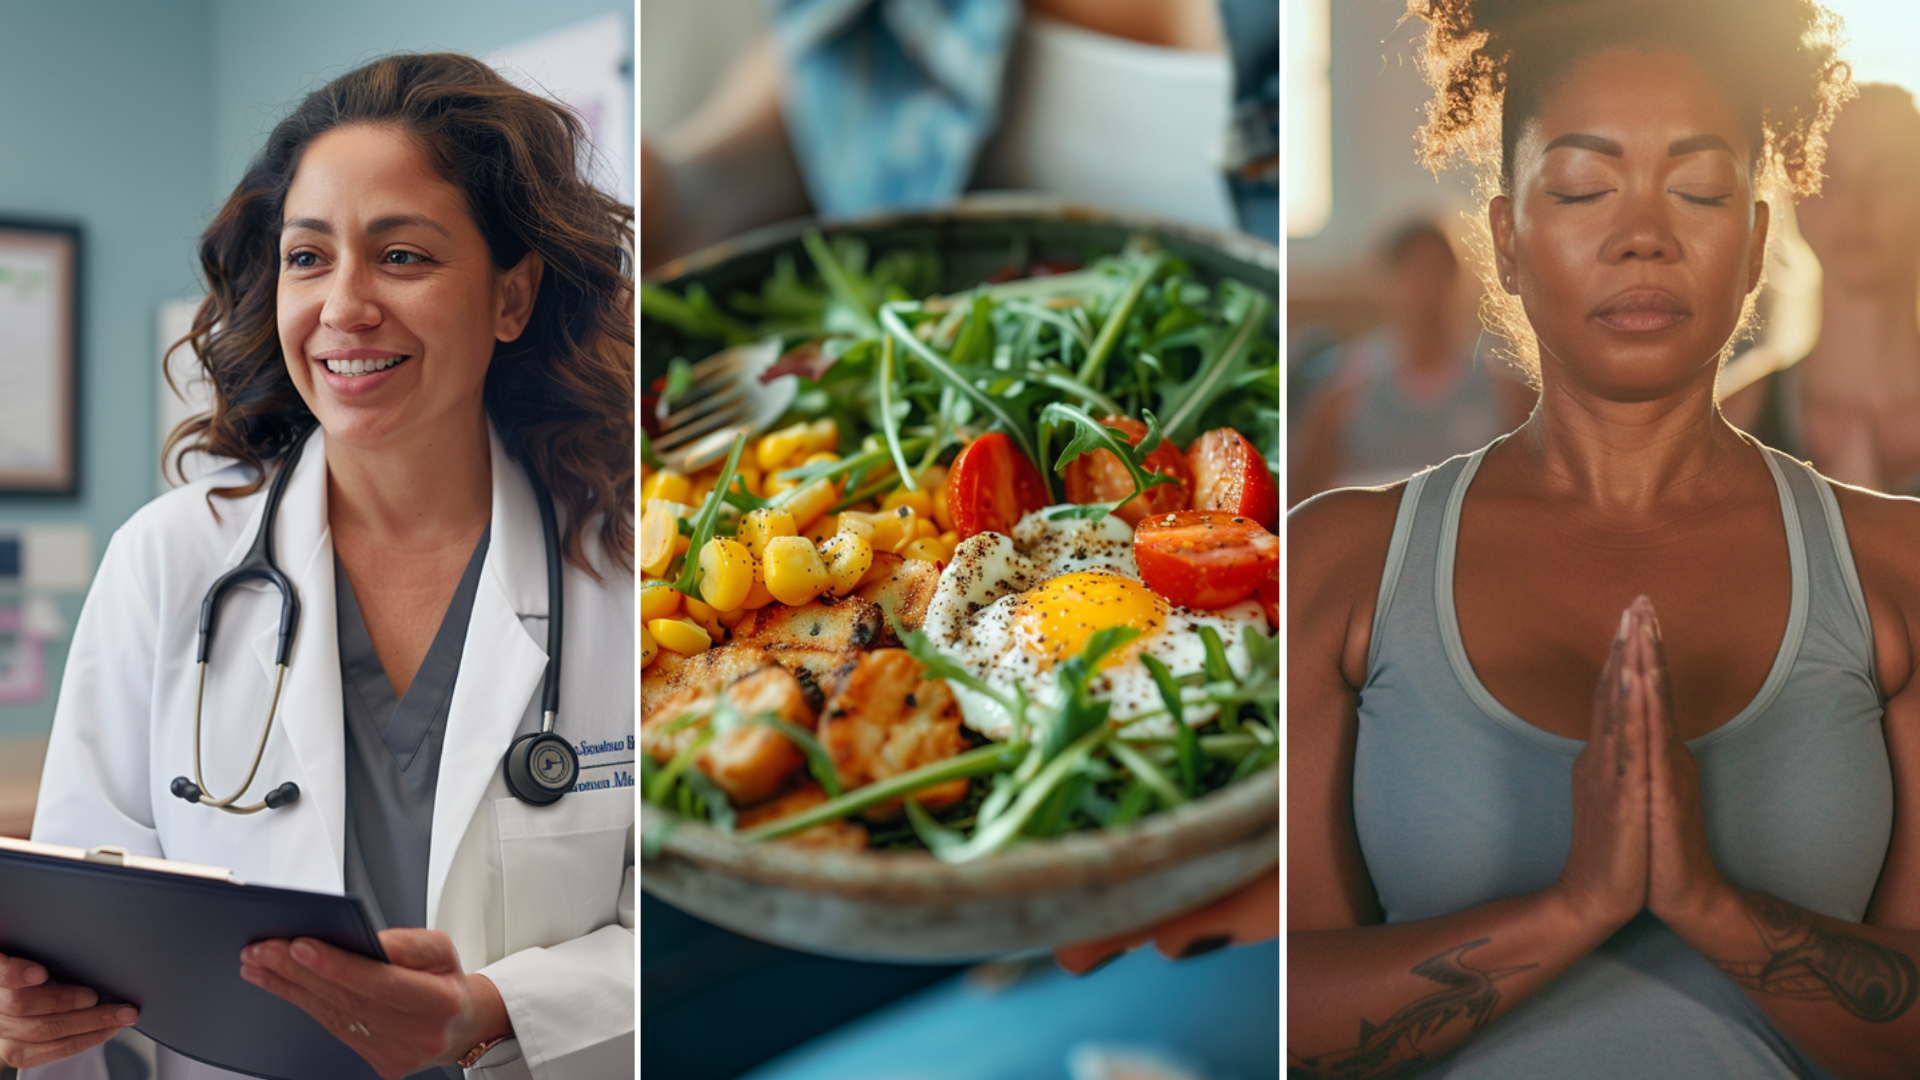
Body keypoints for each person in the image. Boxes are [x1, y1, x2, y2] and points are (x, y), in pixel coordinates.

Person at [1290, 0, 1920, 1076]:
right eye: (1583, 187)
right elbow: (1284, 1024)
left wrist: (1705, 905)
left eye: (1700, 190)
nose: (1643, 234)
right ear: (1507, 239)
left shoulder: (1898, 569)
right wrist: (1575, 908)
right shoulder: (1340, 566)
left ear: (1758, 241)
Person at [2, 54, 634, 1079]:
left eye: (403, 257)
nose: (343, 306)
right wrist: (23, 1022)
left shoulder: (623, 570)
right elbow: (77, 951)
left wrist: (493, 1010)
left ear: (512, 297)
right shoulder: (166, 566)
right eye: (308, 258)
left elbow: (677, 925)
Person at [1724, 83, 1920, 494]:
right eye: (1829, 176)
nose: (1855, 204)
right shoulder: (1730, 426)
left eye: (1887, 178)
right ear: (1797, 199)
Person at [1288, 221, 1530, 503]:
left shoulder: (1507, 391)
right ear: (1389, 283)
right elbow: (1305, 496)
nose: (1427, 289)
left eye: (1438, 271)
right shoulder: (1341, 389)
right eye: (1414, 273)